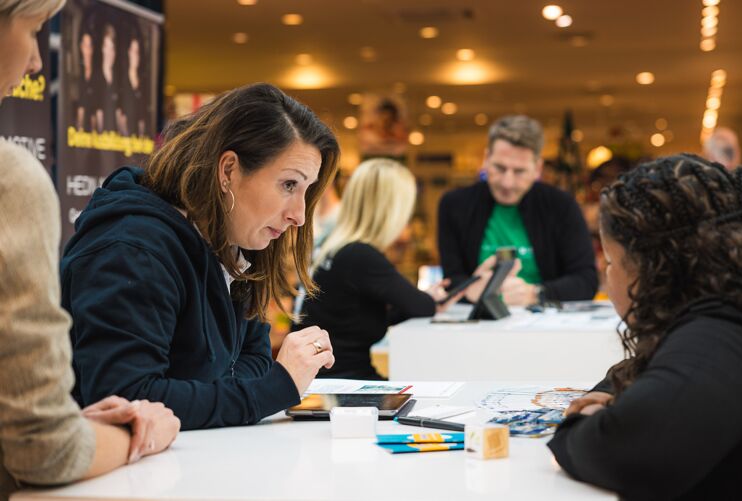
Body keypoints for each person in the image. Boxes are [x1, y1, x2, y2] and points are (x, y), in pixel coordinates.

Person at [63, 83, 340, 430]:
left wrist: (233, 392)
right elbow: (125, 399)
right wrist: (274, 388)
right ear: (228, 172)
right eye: (288, 185)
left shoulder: (233, 244)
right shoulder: (132, 250)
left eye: (306, 190)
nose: (299, 215)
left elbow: (250, 357)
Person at [0, 1, 179, 498]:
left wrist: (73, 425)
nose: (37, 62)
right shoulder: (10, 182)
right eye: (34, 30)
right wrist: (137, 435)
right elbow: (44, 451)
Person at [548, 154, 742, 499]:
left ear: (650, 269)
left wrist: (585, 419)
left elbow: (622, 452)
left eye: (610, 261)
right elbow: (655, 367)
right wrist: (612, 391)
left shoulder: (723, 336)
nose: (607, 276)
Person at [297, 158, 457, 380]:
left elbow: (360, 316)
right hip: (344, 384)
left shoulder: (338, 248)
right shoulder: (362, 256)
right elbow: (423, 306)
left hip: (329, 380)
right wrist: (431, 299)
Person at [437, 115, 597, 306]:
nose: (507, 182)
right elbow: (452, 279)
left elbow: (586, 281)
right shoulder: (454, 205)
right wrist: (470, 290)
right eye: (499, 168)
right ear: (486, 159)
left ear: (537, 168)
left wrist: (536, 294)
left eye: (519, 171)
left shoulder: (561, 205)